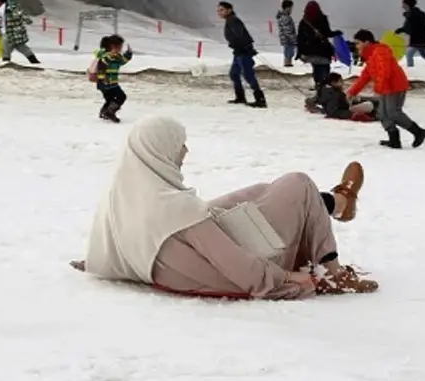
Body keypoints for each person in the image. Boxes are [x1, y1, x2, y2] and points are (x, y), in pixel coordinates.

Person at [70, 116, 378, 298]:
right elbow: (239, 268)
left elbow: (105, 256)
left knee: (259, 191)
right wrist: (287, 280)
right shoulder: (178, 211)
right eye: (179, 144)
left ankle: (338, 202)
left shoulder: (124, 200)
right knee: (299, 184)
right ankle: (333, 265)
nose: (186, 151)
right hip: (235, 263)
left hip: (179, 257)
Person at [348, 29, 425, 149]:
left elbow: (384, 71)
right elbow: (365, 76)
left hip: (394, 86)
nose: (356, 46)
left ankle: (418, 132)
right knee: (382, 114)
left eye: (358, 43)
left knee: (393, 113)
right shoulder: (370, 56)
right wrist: (352, 92)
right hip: (385, 88)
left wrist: (379, 87)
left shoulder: (380, 51)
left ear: (367, 42)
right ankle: (394, 140)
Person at [218, 1, 266, 108]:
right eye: (218, 10)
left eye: (222, 10)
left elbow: (241, 35)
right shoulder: (229, 20)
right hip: (238, 51)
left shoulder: (233, 21)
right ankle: (240, 97)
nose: (219, 12)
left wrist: (247, 47)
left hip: (243, 51)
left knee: (248, 74)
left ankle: (260, 99)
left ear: (229, 10)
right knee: (234, 74)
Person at [296, 0, 339, 91]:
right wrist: (336, 33)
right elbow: (327, 33)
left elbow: (300, 38)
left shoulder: (304, 22)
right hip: (323, 50)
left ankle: (319, 86)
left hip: (311, 51)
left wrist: (299, 52)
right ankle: (325, 87)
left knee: (316, 69)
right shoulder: (322, 19)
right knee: (325, 70)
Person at [0, 0, 41, 64]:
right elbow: (0, 22)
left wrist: (27, 20)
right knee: (6, 50)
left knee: (21, 48)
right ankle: (6, 63)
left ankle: (35, 62)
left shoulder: (11, 6)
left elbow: (20, 13)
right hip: (5, 33)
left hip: (15, 32)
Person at [92, 34, 134, 122]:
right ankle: (110, 112)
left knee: (110, 100)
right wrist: (103, 78)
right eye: (120, 47)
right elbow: (101, 68)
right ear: (113, 46)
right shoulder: (106, 57)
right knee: (121, 97)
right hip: (105, 83)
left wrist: (128, 54)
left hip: (112, 83)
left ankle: (104, 112)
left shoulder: (116, 56)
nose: (121, 49)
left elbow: (123, 61)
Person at [313, 72, 378, 121]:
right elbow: (345, 106)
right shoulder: (337, 93)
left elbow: (318, 101)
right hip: (342, 113)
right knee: (369, 105)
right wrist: (350, 100)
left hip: (336, 112)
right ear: (333, 83)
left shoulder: (323, 91)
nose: (343, 83)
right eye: (341, 81)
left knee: (360, 101)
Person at [276, 0, 297, 67]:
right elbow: (288, 31)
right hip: (288, 39)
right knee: (289, 52)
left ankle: (288, 63)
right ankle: (287, 64)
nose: (291, 10)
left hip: (286, 39)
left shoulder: (283, 17)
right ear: (287, 8)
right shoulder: (285, 18)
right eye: (291, 8)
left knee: (289, 51)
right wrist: (294, 39)